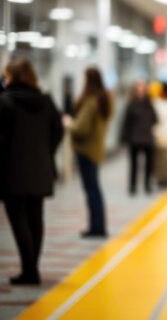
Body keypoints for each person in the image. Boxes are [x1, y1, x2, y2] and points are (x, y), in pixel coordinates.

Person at [0, 58, 63, 284]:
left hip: (12, 172)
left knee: (18, 221)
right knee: (36, 219)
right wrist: (47, 153)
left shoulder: (6, 102)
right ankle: (32, 268)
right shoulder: (46, 101)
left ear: (13, 78)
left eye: (6, 76)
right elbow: (58, 130)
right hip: (40, 169)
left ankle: (30, 271)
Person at [66, 67, 111, 237]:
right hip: (96, 149)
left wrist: (68, 122)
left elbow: (80, 128)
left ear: (89, 80)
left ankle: (96, 227)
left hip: (86, 150)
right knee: (95, 188)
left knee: (91, 189)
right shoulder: (102, 100)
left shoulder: (90, 102)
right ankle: (98, 225)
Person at [120, 80, 157, 195]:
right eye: (138, 88)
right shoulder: (131, 105)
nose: (141, 90)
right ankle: (133, 186)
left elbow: (155, 119)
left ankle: (147, 185)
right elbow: (126, 123)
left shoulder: (149, 105)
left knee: (148, 164)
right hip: (134, 139)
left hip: (147, 138)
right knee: (134, 164)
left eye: (143, 88)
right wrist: (124, 138)